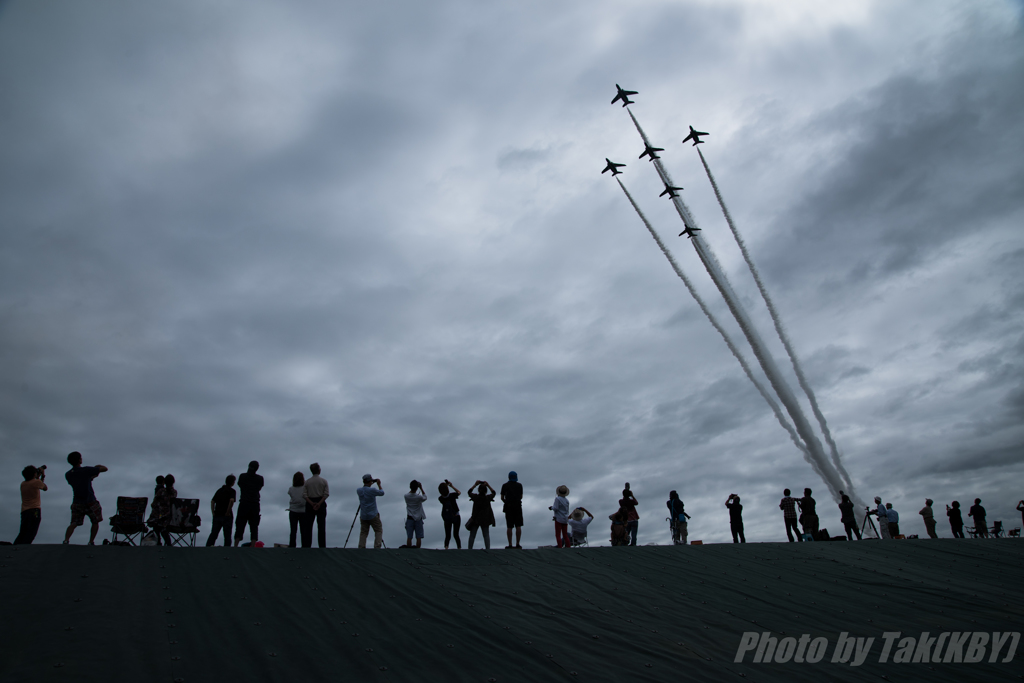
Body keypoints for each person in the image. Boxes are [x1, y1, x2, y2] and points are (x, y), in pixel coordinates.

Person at [63, 451, 107, 545]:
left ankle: (66, 540)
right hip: (90, 501)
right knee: (95, 521)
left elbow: (80, 482)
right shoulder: (86, 470)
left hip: (77, 502)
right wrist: (97, 467)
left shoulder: (68, 474)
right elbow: (105, 469)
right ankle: (91, 541)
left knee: (74, 523)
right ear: (79, 460)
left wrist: (90, 477)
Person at [234, 461, 264, 547]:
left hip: (244, 503)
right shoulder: (260, 478)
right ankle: (253, 545)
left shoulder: (242, 476)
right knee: (254, 525)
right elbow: (259, 488)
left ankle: (236, 545)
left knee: (240, 524)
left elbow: (240, 485)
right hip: (254, 503)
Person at [14, 465, 47, 545]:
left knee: (23, 532)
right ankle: (24, 549)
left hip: (24, 511)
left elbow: (37, 484)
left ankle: (15, 547)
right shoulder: (36, 482)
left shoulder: (23, 484)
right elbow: (45, 488)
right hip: (34, 510)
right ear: (34, 474)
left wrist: (37, 477)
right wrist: (42, 476)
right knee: (31, 533)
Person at [302, 463, 329, 548]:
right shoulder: (324, 481)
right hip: (320, 502)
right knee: (321, 527)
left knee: (308, 527)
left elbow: (304, 495)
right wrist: (319, 503)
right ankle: (322, 546)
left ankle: (307, 546)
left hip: (310, 503)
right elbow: (326, 494)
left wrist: (311, 503)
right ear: (319, 470)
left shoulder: (307, 482)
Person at [206, 475, 236, 547]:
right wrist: (227, 512)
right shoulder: (232, 491)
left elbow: (212, 501)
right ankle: (227, 550)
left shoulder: (220, 490)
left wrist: (213, 512)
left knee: (214, 533)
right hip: (227, 517)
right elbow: (231, 500)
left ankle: (208, 547)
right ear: (232, 482)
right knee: (227, 535)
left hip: (217, 514)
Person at [357, 474, 384, 549]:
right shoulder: (372, 490)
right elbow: (382, 493)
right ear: (370, 481)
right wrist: (379, 484)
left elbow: (365, 490)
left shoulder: (359, 490)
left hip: (363, 515)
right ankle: (377, 547)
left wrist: (371, 482)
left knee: (364, 532)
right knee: (378, 530)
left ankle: (361, 547)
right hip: (373, 515)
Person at [467, 480, 495, 549]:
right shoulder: (487, 498)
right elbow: (494, 493)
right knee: (486, 535)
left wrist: (475, 484)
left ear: (479, 490)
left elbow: (469, 492)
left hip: (475, 519)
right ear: (486, 491)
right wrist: (488, 485)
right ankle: (488, 549)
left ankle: (469, 549)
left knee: (472, 535)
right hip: (485, 519)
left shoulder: (475, 497)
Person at [500, 471, 524, 549]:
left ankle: (510, 544)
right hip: (517, 506)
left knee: (509, 526)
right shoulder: (519, 485)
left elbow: (502, 497)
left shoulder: (504, 485)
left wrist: (506, 502)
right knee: (518, 525)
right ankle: (517, 543)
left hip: (508, 506)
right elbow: (521, 496)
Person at [403, 480, 428, 548]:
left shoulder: (406, 496)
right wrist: (421, 488)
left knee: (409, 537)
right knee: (418, 537)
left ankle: (409, 551)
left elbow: (409, 494)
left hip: (410, 518)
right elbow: (425, 497)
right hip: (418, 518)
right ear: (417, 488)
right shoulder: (419, 497)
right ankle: (418, 551)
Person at [438, 480, 462, 549]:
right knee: (456, 534)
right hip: (456, 516)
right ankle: (459, 548)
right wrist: (451, 486)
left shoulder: (440, 499)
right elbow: (459, 492)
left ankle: (446, 547)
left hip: (447, 517)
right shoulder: (452, 495)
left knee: (447, 535)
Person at [287, 472, 306, 548]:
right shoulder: (305, 488)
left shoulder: (291, 489)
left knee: (293, 530)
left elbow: (290, 494)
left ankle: (292, 546)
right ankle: (304, 546)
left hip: (293, 511)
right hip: (303, 511)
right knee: (303, 531)